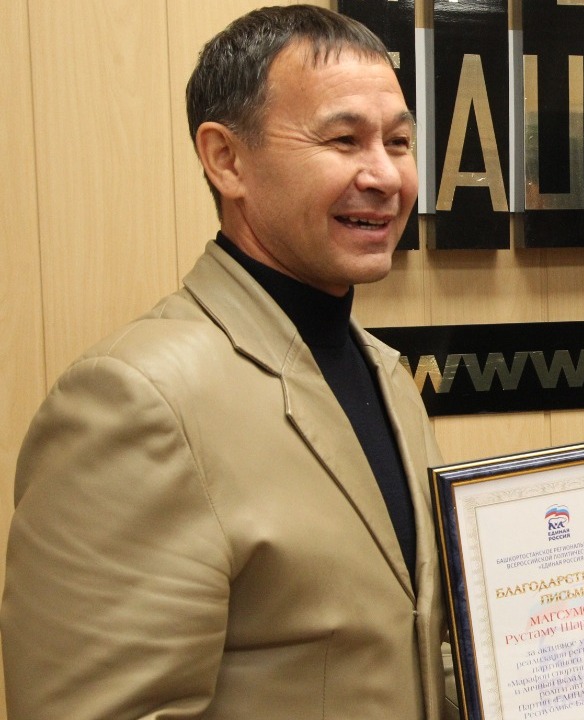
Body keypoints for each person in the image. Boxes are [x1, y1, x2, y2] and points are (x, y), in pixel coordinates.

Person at [2, 6, 456, 718]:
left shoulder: (389, 378)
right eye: (344, 140)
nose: (384, 175)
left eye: (398, 142)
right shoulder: (137, 400)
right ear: (226, 160)